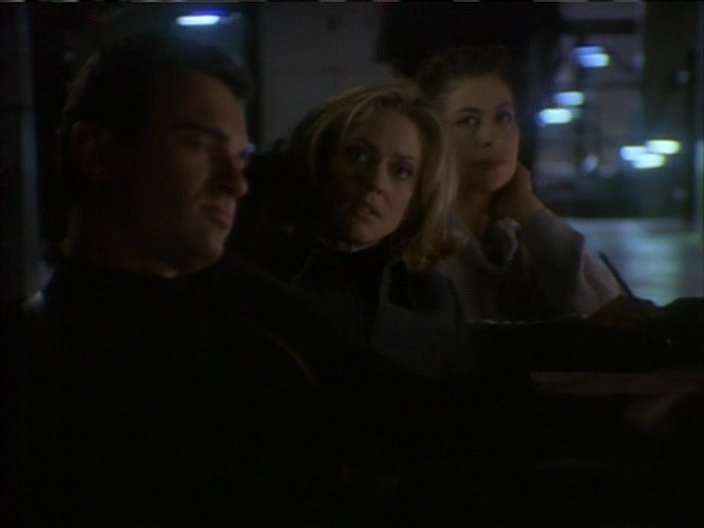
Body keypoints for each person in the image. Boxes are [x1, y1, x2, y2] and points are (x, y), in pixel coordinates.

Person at [14, 33, 346, 526]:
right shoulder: (30, 360)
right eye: (197, 144)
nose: (235, 183)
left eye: (240, 157)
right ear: (98, 153)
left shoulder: (269, 343)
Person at [415, 45, 624, 322]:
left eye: (503, 117)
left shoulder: (519, 235)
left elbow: (613, 314)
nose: (489, 137)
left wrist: (532, 214)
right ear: (433, 135)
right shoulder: (420, 242)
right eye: (467, 121)